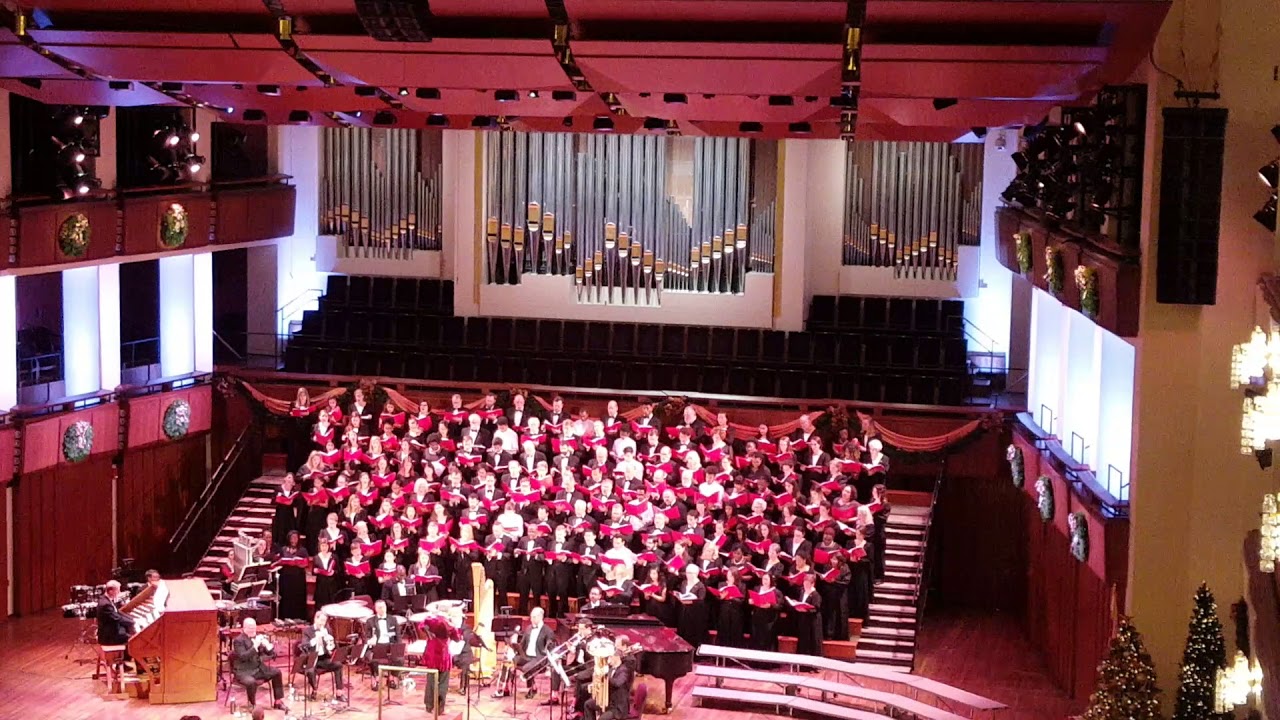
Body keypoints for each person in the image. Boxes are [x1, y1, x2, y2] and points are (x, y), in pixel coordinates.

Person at [494, 607, 553, 699]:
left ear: (541, 617)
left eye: (534, 617)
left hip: (538, 658)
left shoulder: (548, 631)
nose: (532, 619)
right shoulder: (529, 628)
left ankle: (532, 688)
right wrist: (514, 646)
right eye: (531, 617)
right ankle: (504, 688)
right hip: (526, 656)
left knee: (527, 668)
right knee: (508, 662)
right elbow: (522, 644)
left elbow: (550, 646)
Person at [232, 618, 287, 711]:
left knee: (277, 672)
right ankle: (253, 705)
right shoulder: (238, 641)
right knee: (251, 682)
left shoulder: (257, 638)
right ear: (244, 628)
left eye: (254, 627)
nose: (253, 630)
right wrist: (255, 646)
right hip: (244, 671)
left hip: (258, 669)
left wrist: (268, 646)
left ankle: (278, 701)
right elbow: (243, 657)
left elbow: (272, 655)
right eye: (250, 628)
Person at [420, 607, 463, 713]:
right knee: (443, 682)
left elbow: (421, 625)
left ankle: (429, 706)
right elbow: (457, 638)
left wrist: (428, 632)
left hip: (432, 653)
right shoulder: (449, 624)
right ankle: (439, 707)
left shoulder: (430, 620)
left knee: (431, 680)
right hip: (443, 655)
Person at [298, 611, 345, 701]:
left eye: (324, 621)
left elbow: (333, 646)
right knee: (310, 671)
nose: (322, 623)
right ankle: (314, 689)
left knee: (338, 665)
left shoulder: (327, 630)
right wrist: (316, 639)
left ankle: (339, 693)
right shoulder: (307, 631)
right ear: (316, 619)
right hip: (311, 658)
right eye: (321, 620)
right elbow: (305, 645)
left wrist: (330, 644)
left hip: (323, 658)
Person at [362, 600, 405, 683]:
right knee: (371, 658)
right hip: (377, 646)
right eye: (379, 607)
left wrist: (398, 647)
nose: (382, 609)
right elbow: (366, 638)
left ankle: (392, 678)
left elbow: (398, 636)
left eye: (383, 607)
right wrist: (370, 641)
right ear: (375, 609)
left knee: (400, 659)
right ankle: (376, 678)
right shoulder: (370, 621)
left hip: (390, 645)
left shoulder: (393, 619)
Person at [583, 650, 633, 720]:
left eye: (610, 657)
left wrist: (606, 676)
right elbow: (604, 683)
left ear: (617, 657)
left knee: (602, 719)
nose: (608, 659)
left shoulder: (624, 670)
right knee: (588, 704)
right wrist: (594, 685)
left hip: (617, 707)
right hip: (608, 702)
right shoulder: (610, 669)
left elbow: (618, 683)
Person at [276, 531, 310, 620]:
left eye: (296, 538)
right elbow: (279, 561)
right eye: (292, 538)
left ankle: (298, 617)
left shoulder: (303, 550)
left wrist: (298, 563)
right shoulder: (283, 549)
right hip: (286, 578)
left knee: (297, 598)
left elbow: (306, 563)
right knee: (286, 598)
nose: (294, 540)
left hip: (298, 578)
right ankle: (285, 617)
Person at [96, 580, 135, 645]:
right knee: (134, 639)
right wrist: (134, 622)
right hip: (108, 636)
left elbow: (118, 613)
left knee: (129, 632)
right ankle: (127, 654)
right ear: (111, 591)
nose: (119, 592)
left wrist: (132, 619)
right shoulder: (105, 604)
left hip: (112, 630)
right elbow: (118, 618)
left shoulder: (106, 599)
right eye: (117, 590)